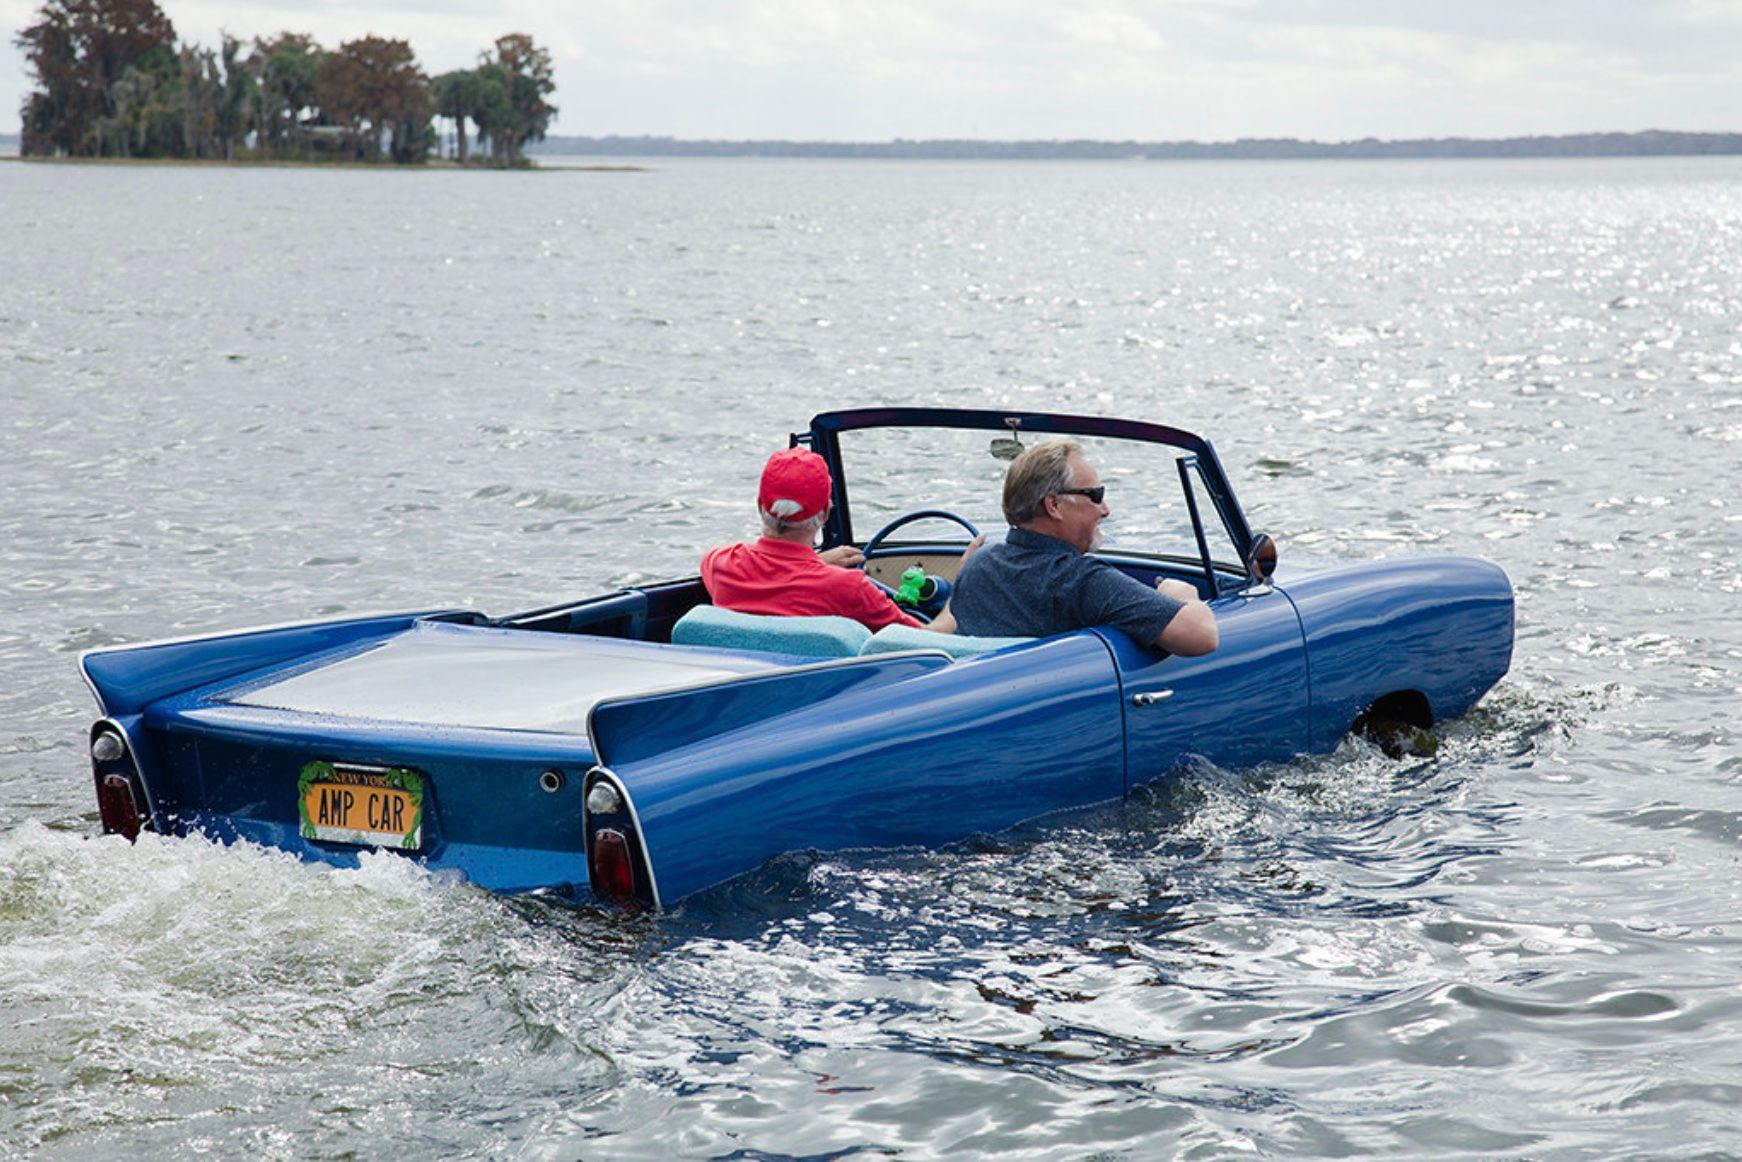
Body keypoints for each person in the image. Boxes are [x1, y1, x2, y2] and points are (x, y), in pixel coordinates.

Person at [949, 438, 1219, 655]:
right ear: (1053, 505)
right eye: (1095, 496)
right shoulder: (1079, 579)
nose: (1105, 510)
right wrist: (1183, 595)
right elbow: (1201, 637)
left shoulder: (977, 563)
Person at [702, 447, 964, 633]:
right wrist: (965, 579)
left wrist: (818, 562)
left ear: (759, 504)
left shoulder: (721, 563)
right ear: (826, 513)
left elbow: (777, 575)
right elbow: (930, 638)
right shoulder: (847, 588)